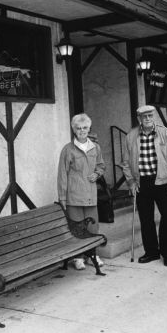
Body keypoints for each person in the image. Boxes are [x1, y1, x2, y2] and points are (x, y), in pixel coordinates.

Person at [121, 105, 167, 267]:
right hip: (142, 182)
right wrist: (131, 181)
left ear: (154, 117)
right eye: (144, 117)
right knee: (146, 219)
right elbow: (125, 163)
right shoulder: (131, 136)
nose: (147, 119)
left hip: (163, 181)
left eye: (150, 116)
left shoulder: (164, 133)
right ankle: (152, 252)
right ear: (139, 119)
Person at [57, 113, 106, 270]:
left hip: (91, 194)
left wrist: (97, 173)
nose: (82, 131)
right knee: (77, 228)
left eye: (85, 128)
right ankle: (78, 257)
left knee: (93, 227)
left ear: (89, 128)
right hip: (73, 196)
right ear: (73, 129)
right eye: (78, 128)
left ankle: (92, 254)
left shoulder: (95, 147)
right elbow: (62, 174)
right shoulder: (67, 149)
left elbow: (101, 165)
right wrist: (62, 197)